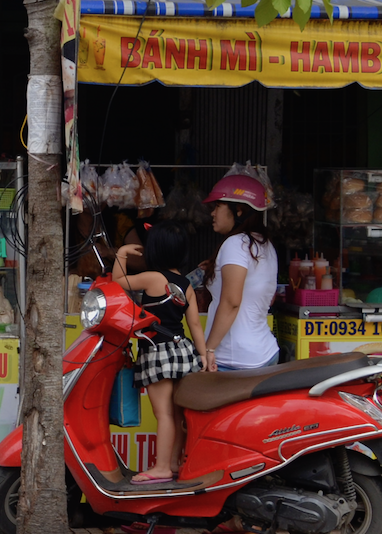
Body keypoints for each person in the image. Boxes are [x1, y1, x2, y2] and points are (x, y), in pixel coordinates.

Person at [111, 225, 209, 484]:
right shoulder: (186, 283)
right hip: (183, 350)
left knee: (163, 414)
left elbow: (118, 283)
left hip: (158, 352)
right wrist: (205, 357)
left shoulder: (153, 278)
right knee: (176, 414)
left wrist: (122, 253)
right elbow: (195, 325)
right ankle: (175, 462)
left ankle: (162, 467)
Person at [200, 174, 280, 372]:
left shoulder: (236, 244)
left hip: (236, 359)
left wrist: (209, 349)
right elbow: (265, 298)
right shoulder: (265, 244)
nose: (213, 213)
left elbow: (231, 302)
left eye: (218, 206)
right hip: (264, 351)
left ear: (238, 210)